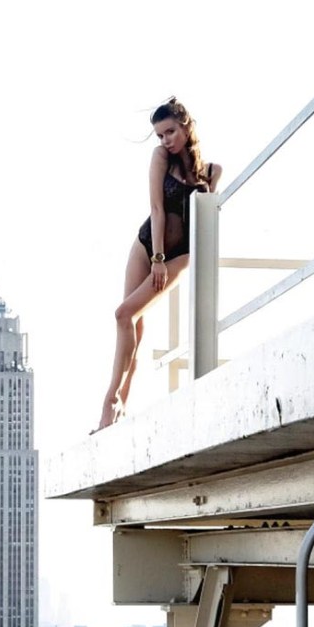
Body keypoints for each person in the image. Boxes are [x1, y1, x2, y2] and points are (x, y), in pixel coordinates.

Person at [96, 97, 221, 431]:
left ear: (186, 126)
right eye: (160, 134)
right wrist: (156, 259)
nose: (166, 139)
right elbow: (156, 207)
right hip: (148, 245)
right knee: (131, 323)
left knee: (124, 314)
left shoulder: (211, 173)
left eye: (170, 131)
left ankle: (110, 404)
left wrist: (167, 262)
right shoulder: (160, 158)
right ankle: (117, 409)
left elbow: (206, 222)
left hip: (182, 254)